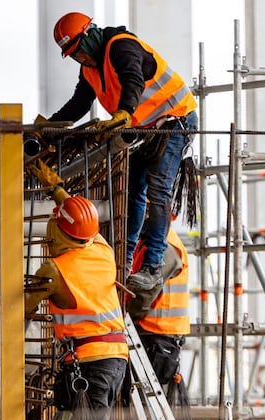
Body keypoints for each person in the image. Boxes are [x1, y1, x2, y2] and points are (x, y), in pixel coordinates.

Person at [47, 12, 199, 296]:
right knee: (133, 190)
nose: (80, 57)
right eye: (73, 55)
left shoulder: (121, 46)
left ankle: (152, 266)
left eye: (79, 49)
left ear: (90, 34)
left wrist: (124, 113)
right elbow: (79, 103)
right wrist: (49, 127)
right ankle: (125, 262)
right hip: (144, 127)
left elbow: (132, 79)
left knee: (159, 190)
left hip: (174, 120)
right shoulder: (89, 68)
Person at [25, 161, 128, 420]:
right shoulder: (99, 247)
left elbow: (16, 312)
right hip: (111, 360)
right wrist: (55, 187)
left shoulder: (55, 270)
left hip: (93, 363)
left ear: (60, 230)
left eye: (54, 221)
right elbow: (76, 216)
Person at [126, 224, 192, 420]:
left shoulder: (165, 247)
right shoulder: (153, 242)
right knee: (141, 404)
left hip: (158, 338)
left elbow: (145, 293)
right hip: (153, 335)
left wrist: (124, 316)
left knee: (148, 406)